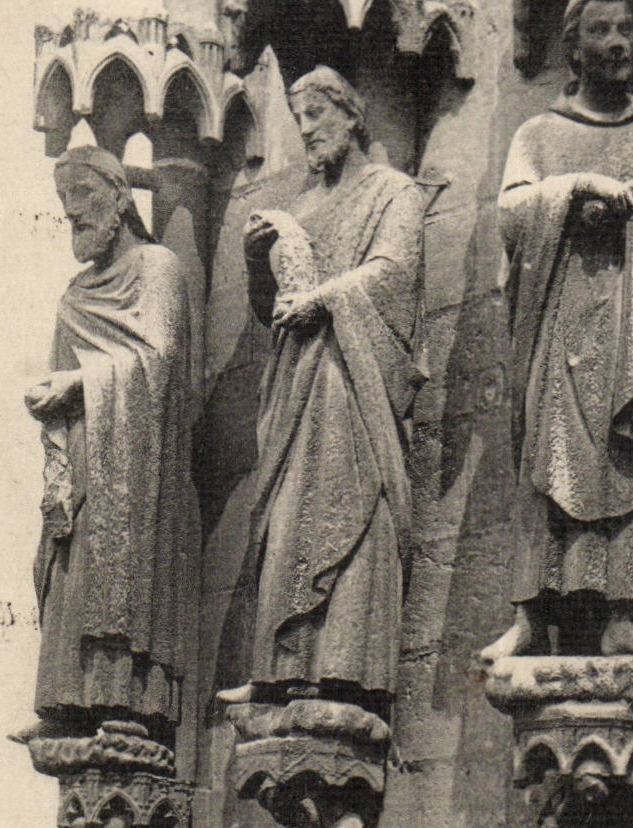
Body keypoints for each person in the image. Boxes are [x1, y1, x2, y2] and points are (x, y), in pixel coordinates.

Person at [481, 0, 633, 661]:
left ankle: (626, 609)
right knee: (547, 459)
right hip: (560, 328)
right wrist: (580, 190)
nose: (616, 43)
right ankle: (532, 612)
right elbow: (511, 213)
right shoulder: (540, 134)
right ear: (572, 48)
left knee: (632, 451)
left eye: (626, 30)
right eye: (600, 32)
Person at [216, 65, 426, 708]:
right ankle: (279, 666)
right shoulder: (298, 207)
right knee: (284, 515)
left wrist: (324, 300)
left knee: (348, 509)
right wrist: (259, 261)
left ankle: (343, 668)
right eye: (297, 116)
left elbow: (394, 272)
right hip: (293, 387)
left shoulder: (394, 191)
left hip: (350, 385)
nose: (305, 129)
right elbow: (270, 308)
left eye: (316, 114)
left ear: (352, 114)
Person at [21, 146, 200, 746]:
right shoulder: (75, 296)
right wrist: (54, 399)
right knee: (74, 567)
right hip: (83, 462)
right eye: (65, 210)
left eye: (85, 201)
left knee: (118, 564)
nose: (74, 218)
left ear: (122, 199)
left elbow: (160, 359)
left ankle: (128, 699)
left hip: (138, 467)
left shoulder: (158, 268)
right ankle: (67, 699)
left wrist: (77, 383)